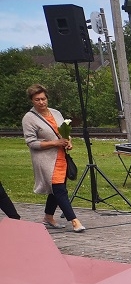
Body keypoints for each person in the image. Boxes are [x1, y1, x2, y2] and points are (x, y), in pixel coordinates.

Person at [21, 84, 85, 233]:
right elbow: (31, 143)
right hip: (46, 160)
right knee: (59, 189)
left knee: (56, 190)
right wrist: (55, 143)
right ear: (32, 101)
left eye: (43, 99)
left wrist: (68, 141)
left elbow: (64, 132)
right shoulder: (29, 118)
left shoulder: (56, 113)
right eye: (37, 99)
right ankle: (74, 221)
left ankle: (48, 217)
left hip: (61, 157)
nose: (41, 102)